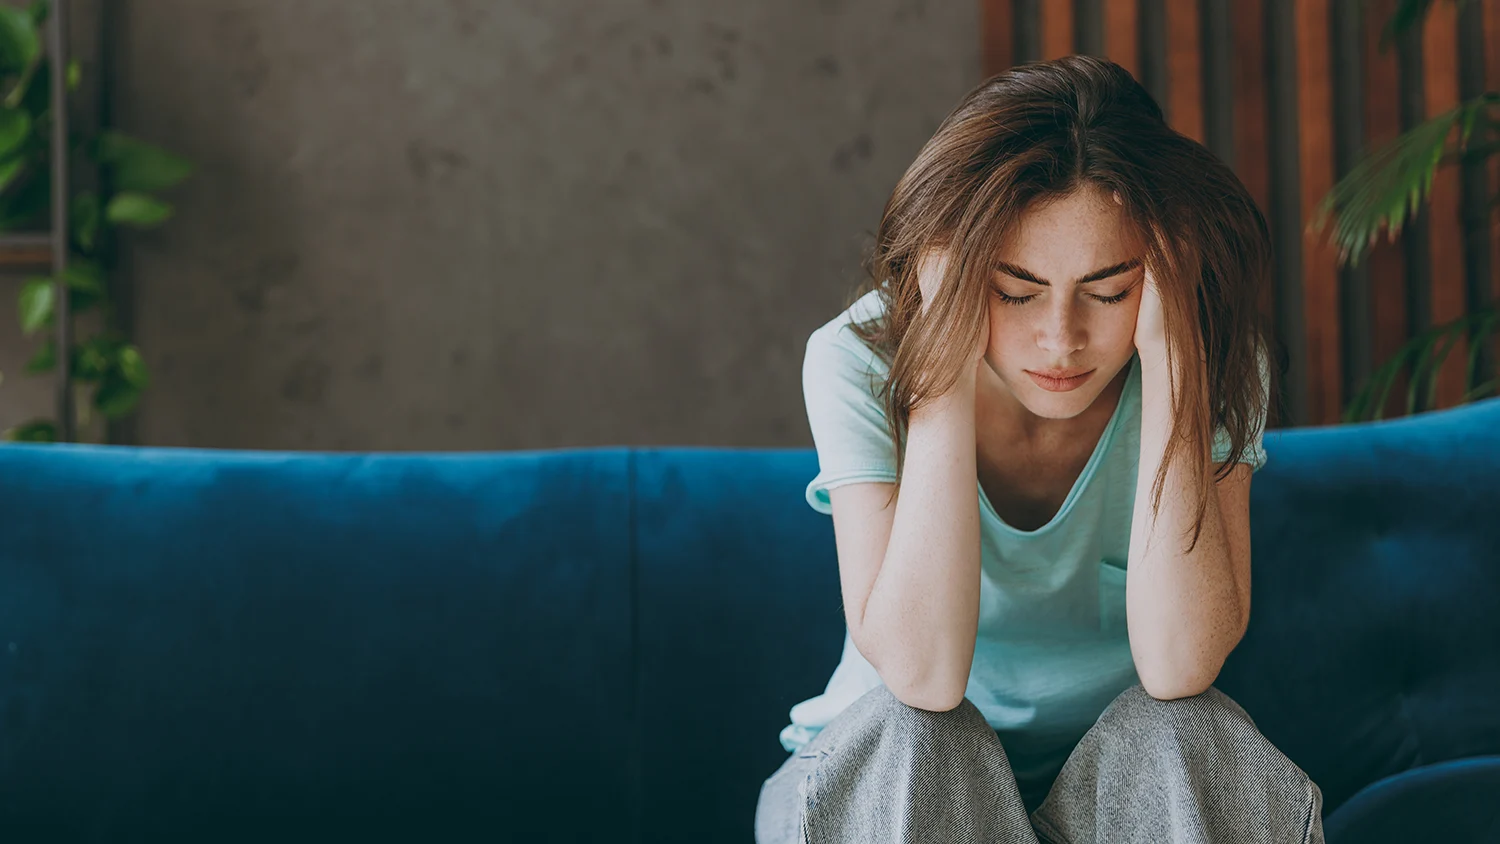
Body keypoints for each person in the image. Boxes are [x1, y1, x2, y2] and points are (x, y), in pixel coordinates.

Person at [754, 55, 1325, 844]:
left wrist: (1174, 360)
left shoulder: (1215, 361)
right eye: (1014, 292)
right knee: (920, 733)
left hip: (1116, 799)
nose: (1061, 340)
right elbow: (921, 676)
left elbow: (1179, 666)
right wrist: (942, 362)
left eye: (1109, 291)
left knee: (1188, 730)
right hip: (884, 787)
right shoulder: (857, 358)